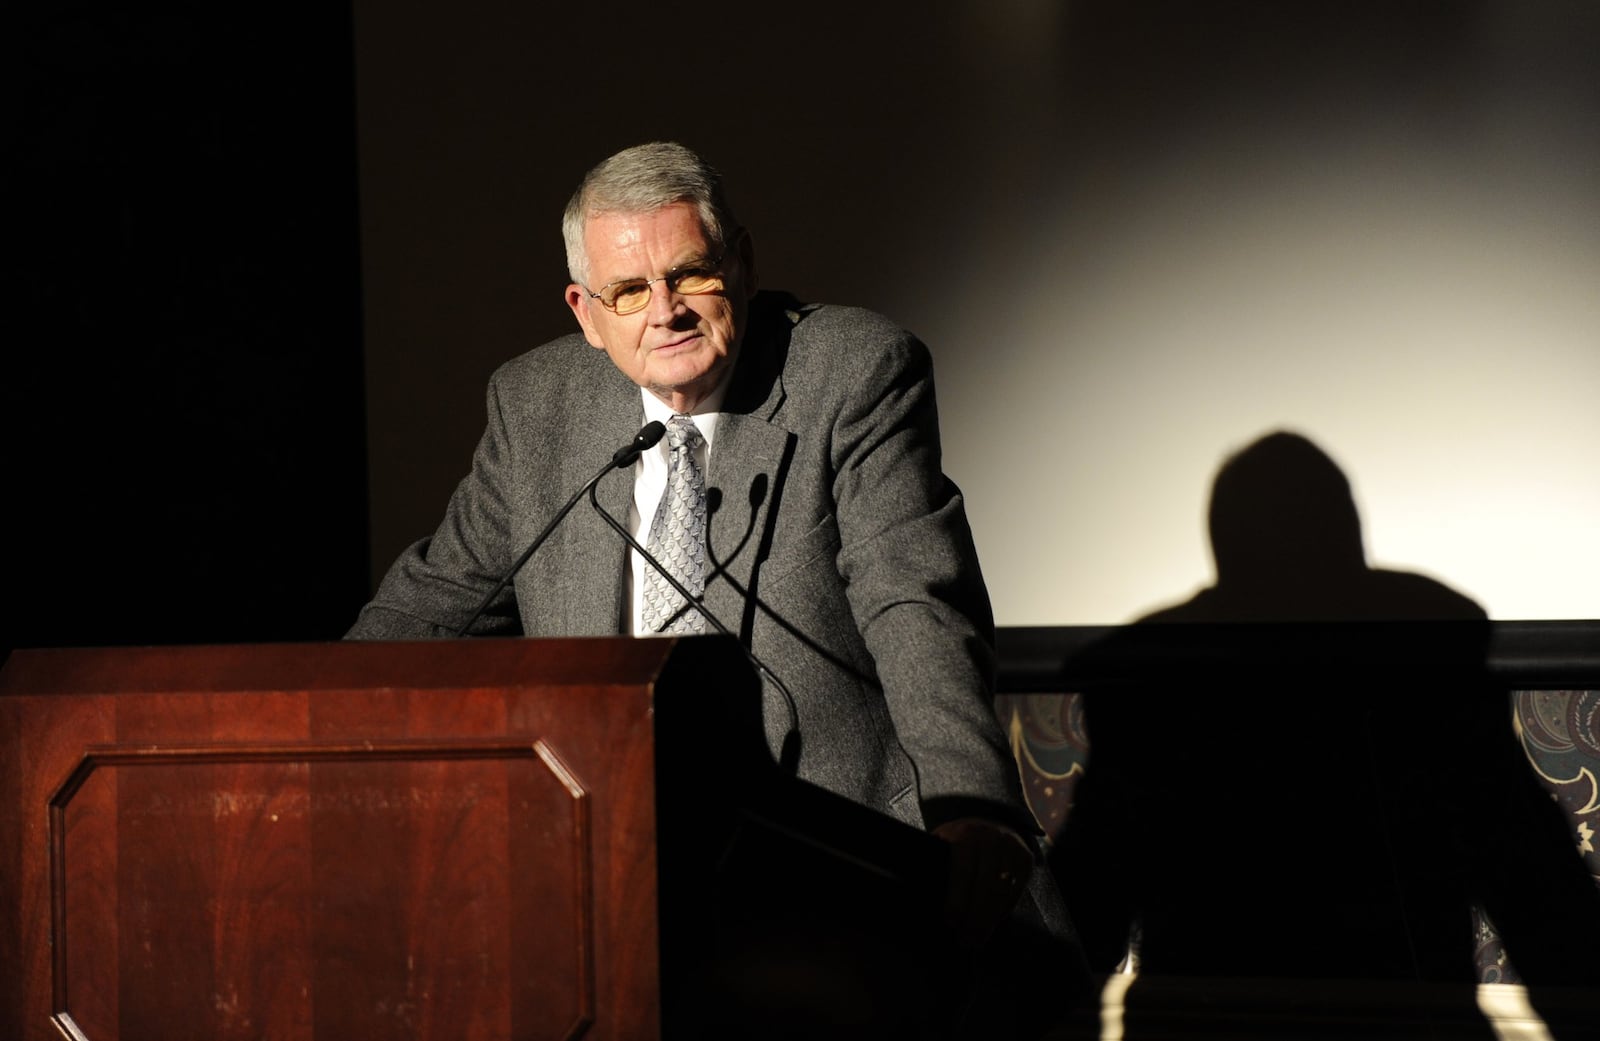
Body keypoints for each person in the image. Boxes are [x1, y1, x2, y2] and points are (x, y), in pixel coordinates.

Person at [349, 142, 1084, 1031]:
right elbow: (434, 607)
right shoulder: (538, 406)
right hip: (606, 863)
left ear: (739, 261)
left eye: (689, 274)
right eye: (629, 291)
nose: (664, 311)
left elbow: (915, 599)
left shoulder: (851, 372)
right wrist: (292, 742)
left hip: (830, 856)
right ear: (587, 312)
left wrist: (969, 805)